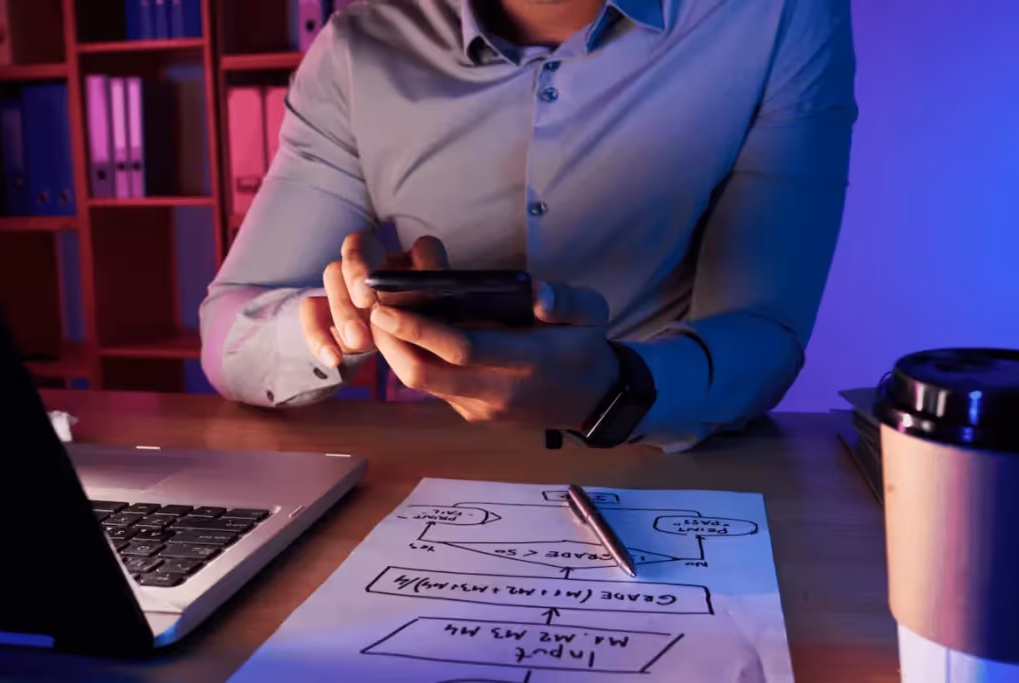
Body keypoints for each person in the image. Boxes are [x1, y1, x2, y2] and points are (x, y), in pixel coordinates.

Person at [200, 0, 857, 451]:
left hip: (666, 464)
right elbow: (229, 329)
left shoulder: (774, 19)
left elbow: (763, 333)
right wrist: (331, 328)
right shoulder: (357, 51)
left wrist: (612, 388)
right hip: (434, 486)